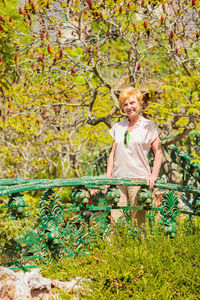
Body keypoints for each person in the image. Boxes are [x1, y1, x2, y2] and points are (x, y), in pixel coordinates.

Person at [105, 86, 163, 227]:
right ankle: (116, 250)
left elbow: (159, 153)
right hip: (118, 181)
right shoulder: (118, 127)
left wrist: (153, 176)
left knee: (139, 225)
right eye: (125, 104)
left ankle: (140, 249)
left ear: (139, 104)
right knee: (116, 225)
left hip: (139, 180)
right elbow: (112, 154)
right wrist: (108, 180)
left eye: (132, 103)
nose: (129, 107)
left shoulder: (149, 126)